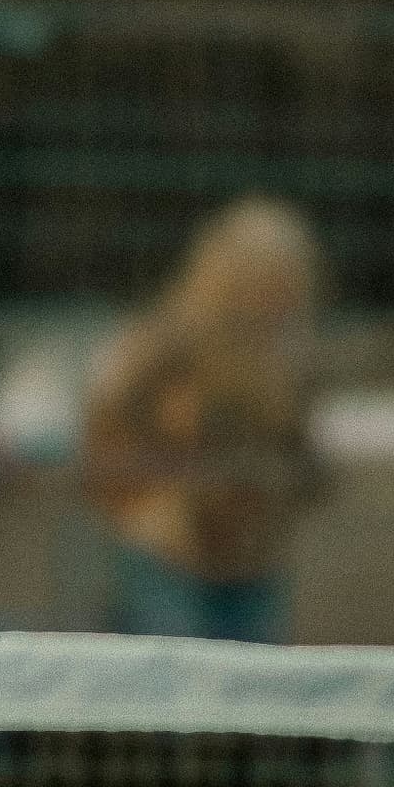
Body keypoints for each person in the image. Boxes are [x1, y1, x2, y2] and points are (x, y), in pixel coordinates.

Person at [81, 197, 332, 642]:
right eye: (264, 278)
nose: (276, 295)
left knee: (254, 694)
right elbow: (106, 425)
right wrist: (142, 503)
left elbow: (303, 456)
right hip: (171, 555)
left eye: (286, 280)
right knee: (171, 686)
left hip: (253, 559)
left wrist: (290, 480)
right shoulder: (173, 337)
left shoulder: (292, 357)